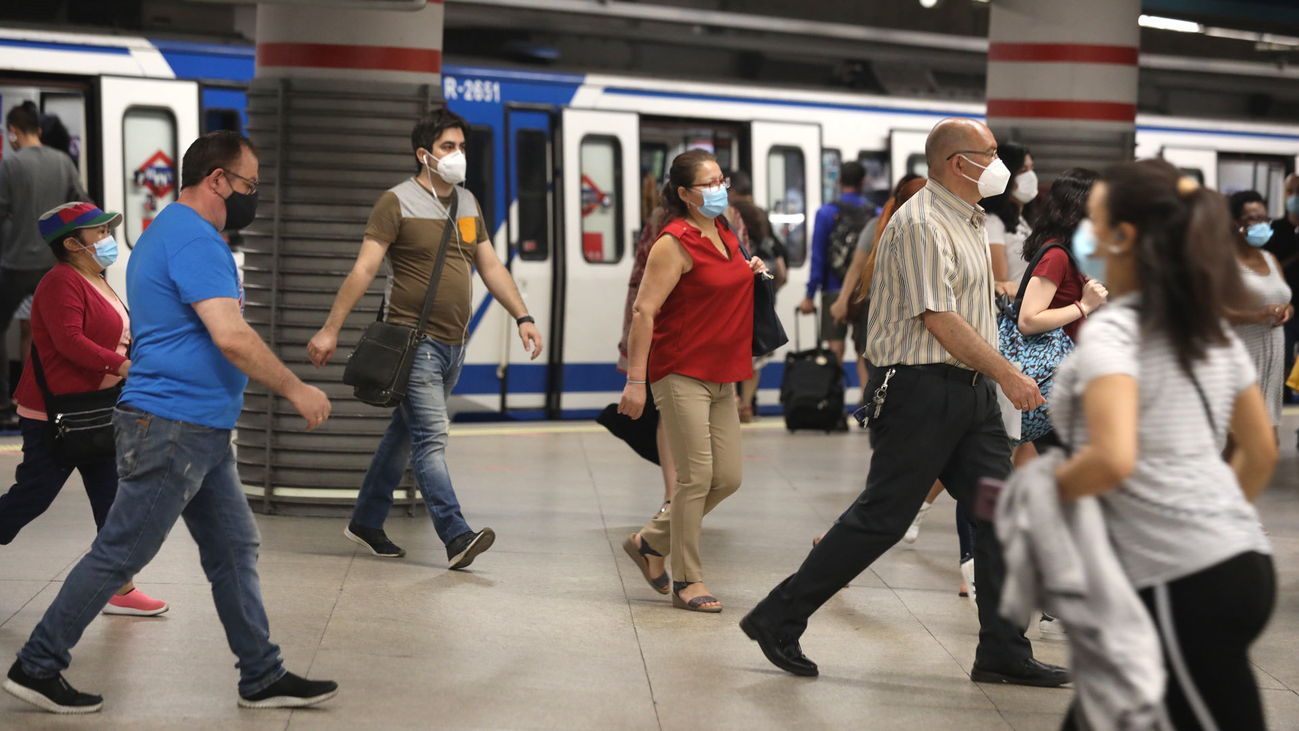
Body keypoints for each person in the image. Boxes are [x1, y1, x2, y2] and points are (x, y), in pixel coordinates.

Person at [4, 131, 339, 713]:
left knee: (234, 547)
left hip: (197, 427)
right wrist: (295, 388)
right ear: (217, 180)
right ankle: (37, 665)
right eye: (249, 184)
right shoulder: (194, 239)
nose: (252, 197)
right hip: (172, 425)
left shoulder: (168, 231)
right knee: (120, 552)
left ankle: (261, 673)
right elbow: (230, 335)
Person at [741, 118, 1067, 687]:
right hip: (920, 391)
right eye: (989, 153)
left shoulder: (971, 217)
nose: (1001, 165)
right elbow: (938, 318)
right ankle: (778, 616)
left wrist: (994, 376)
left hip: (970, 395)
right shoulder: (920, 223)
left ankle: (1002, 650)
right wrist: (1009, 373)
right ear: (955, 162)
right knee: (884, 518)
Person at [1054, 160, 1276, 730]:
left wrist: (1037, 494)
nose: (1086, 233)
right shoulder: (1207, 327)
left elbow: (1111, 456)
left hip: (1183, 585)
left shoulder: (1116, 328)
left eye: (1095, 221)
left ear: (1124, 238)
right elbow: (1259, 450)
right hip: (1227, 563)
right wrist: (1217, 522)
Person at [307, 109, 543, 569]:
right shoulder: (395, 203)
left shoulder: (468, 203)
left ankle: (365, 521)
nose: (458, 155)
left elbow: (490, 266)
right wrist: (330, 329)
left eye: (461, 146)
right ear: (424, 155)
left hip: (456, 344)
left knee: (403, 435)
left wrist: (523, 315)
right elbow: (364, 269)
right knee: (432, 438)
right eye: (447, 147)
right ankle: (456, 537)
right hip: (413, 343)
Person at [0, 202, 166, 617]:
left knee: (112, 502)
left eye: (108, 229)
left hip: (97, 411)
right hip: (58, 415)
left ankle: (120, 587)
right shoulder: (60, 282)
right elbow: (69, 341)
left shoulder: (95, 278)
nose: (107, 237)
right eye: (99, 232)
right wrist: (124, 365)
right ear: (73, 243)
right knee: (33, 497)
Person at [617, 149, 765, 613]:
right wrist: (636, 382)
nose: (719, 189)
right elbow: (645, 311)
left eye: (721, 180)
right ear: (683, 194)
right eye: (708, 184)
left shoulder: (724, 233)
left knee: (729, 478)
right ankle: (688, 579)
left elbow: (725, 284)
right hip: (680, 369)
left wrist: (751, 270)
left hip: (725, 371)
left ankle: (649, 542)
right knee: (696, 476)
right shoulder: (673, 241)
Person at [0, 101, 89, 429]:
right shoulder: (63, 161)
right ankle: (44, 396)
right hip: (53, 265)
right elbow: (83, 204)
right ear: (38, 129)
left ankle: (4, 402)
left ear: (13, 131)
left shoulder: (10, 165)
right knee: (44, 330)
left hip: (16, 264)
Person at [1015, 168, 1107, 453]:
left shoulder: (1070, 254)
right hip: (1054, 380)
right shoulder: (1056, 256)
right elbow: (1028, 320)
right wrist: (1083, 306)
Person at [831, 174, 925, 400]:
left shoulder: (882, 225)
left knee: (873, 357)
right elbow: (857, 266)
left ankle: (873, 402)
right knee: (874, 357)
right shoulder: (878, 225)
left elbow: (856, 266)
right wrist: (842, 301)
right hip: (884, 306)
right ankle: (872, 401)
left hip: (883, 307)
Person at [610, 205, 677, 518]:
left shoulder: (729, 222)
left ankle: (678, 499)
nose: (718, 188)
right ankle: (672, 498)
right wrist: (635, 376)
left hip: (713, 340)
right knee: (670, 411)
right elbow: (641, 297)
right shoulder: (664, 225)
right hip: (669, 333)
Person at [1226, 190, 1292, 434]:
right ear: (1235, 223)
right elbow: (1211, 310)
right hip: (1242, 356)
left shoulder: (1271, 258)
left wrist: (1287, 310)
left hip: (1272, 359)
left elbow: (1284, 299)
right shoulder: (1225, 261)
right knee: (1241, 442)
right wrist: (1256, 316)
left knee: (1267, 440)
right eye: (1254, 219)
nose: (1262, 225)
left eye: (1265, 219)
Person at [729, 169, 786, 422]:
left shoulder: (728, 216)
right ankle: (748, 404)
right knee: (757, 354)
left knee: (732, 349)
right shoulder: (761, 216)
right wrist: (769, 292)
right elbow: (781, 268)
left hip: (735, 294)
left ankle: (734, 398)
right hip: (760, 290)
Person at [801, 161, 869, 368]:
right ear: (863, 182)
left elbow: (818, 257)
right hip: (865, 292)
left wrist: (809, 295)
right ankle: (865, 398)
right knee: (864, 351)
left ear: (839, 182)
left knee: (835, 349)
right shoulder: (875, 213)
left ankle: (834, 397)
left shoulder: (826, 212)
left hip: (833, 290)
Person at [982, 141, 1036, 297]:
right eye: (1023, 170)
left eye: (1032, 169)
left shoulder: (1023, 221)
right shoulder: (992, 222)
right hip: (1012, 314)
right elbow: (1001, 283)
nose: (1031, 176)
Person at [1265, 173, 1299, 404]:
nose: (1294, 197)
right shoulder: (1275, 229)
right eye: (1290, 192)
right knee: (1283, 354)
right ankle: (1283, 394)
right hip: (1284, 305)